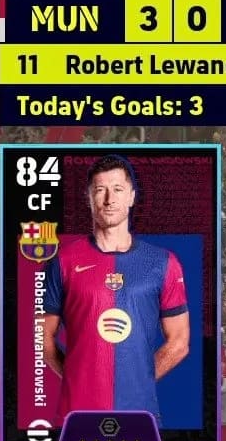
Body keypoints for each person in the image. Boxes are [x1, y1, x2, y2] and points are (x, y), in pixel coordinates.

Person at [40, 155, 191, 421]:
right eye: (100, 190)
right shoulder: (62, 261)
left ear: (132, 197)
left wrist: (140, 381)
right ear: (89, 198)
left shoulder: (163, 263)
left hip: (139, 413)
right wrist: (78, 378)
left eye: (118, 189)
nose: (109, 199)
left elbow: (179, 341)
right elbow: (41, 337)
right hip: (78, 414)